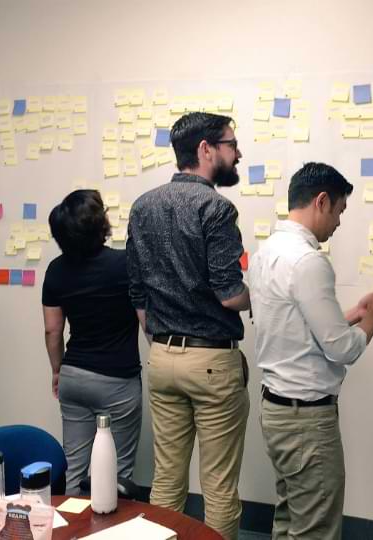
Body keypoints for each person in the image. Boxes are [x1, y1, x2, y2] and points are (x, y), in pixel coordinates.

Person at [247, 162, 373, 539]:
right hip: (306, 422)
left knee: (288, 519)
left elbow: (294, 327)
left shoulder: (267, 251)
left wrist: (355, 314)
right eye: (340, 211)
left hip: (276, 409)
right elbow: (341, 350)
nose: (340, 223)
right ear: (321, 201)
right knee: (316, 529)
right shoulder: (310, 261)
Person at [127, 111, 251, 538]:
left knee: (166, 481)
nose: (237, 153)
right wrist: (266, 293)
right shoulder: (216, 208)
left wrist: (160, 331)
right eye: (231, 144)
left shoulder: (143, 205)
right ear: (206, 150)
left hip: (161, 358)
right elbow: (229, 293)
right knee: (218, 488)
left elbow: (136, 289)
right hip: (211, 362)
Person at [41, 189, 142, 495]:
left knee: (75, 468)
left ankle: (73, 529)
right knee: (117, 472)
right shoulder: (125, 264)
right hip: (118, 381)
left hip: (73, 377)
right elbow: (146, 320)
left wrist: (57, 372)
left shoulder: (56, 270)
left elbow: (52, 331)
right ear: (100, 224)